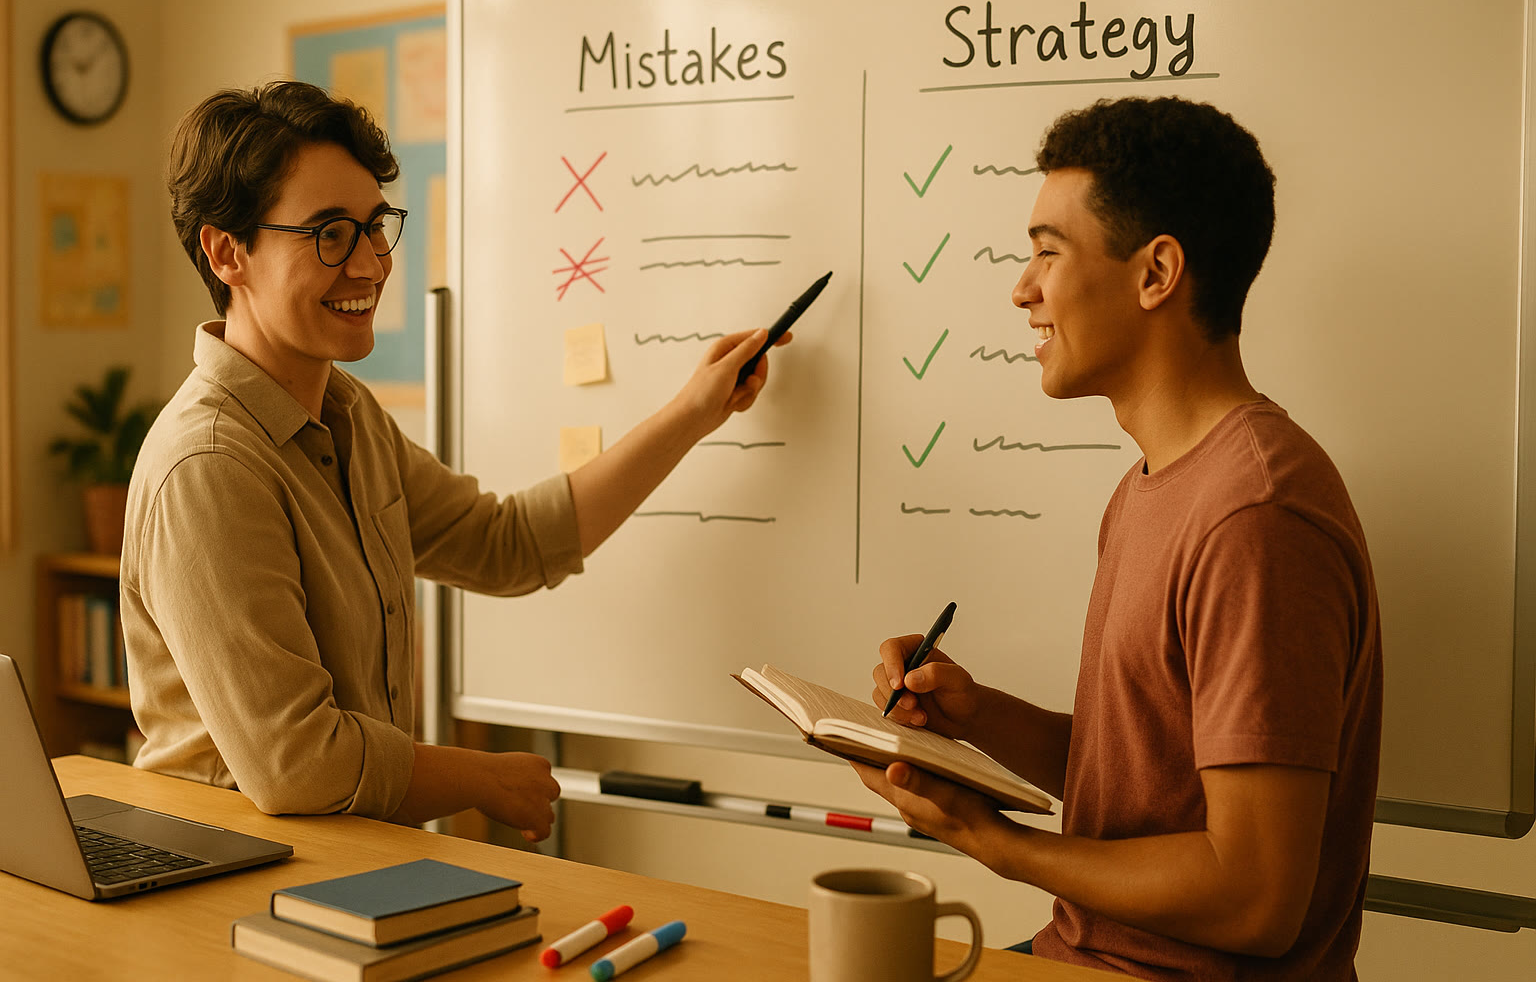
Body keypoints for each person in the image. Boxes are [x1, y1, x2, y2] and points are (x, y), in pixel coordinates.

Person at [122, 81, 788, 842]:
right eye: (330, 234)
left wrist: (695, 411)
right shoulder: (210, 467)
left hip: (345, 864)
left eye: (376, 227)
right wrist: (481, 779)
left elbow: (509, 545)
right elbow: (296, 762)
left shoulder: (350, 416)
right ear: (227, 252)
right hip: (233, 880)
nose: (371, 264)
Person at [855, 96, 1383, 980]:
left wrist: (997, 842)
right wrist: (976, 720)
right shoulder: (1153, 485)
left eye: (1048, 252)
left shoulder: (1256, 516)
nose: (1022, 288)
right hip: (1082, 955)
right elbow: (1153, 787)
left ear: (1156, 273)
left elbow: (1256, 898)